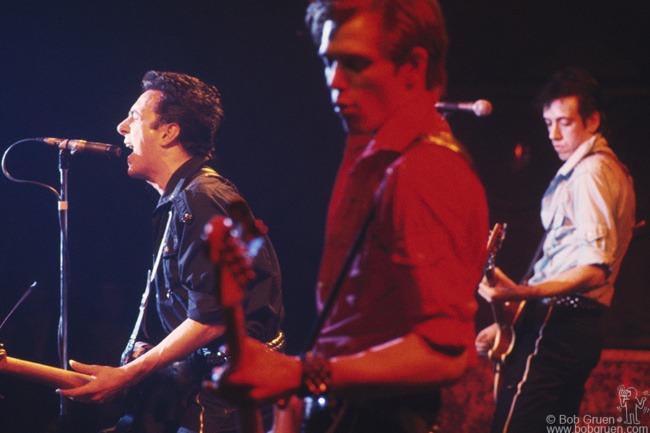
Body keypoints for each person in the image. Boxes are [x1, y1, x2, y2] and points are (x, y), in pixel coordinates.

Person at [208, 1, 489, 432]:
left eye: (355, 64)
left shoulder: (424, 171)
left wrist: (302, 374)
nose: (334, 83)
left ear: (413, 66)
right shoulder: (377, 156)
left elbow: (448, 354)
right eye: (328, 62)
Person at [58, 71, 285, 433]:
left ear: (168, 132)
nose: (120, 127)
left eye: (134, 116)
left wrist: (128, 374)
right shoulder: (183, 201)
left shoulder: (201, 198)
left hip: (224, 398)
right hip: (203, 392)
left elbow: (211, 318)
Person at [475, 68, 636, 433]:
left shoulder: (590, 173)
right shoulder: (614, 170)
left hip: (559, 322)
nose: (553, 134)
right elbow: (567, 259)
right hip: (577, 326)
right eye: (548, 123)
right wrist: (510, 322)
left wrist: (522, 293)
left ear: (592, 120)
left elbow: (596, 268)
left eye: (565, 122)